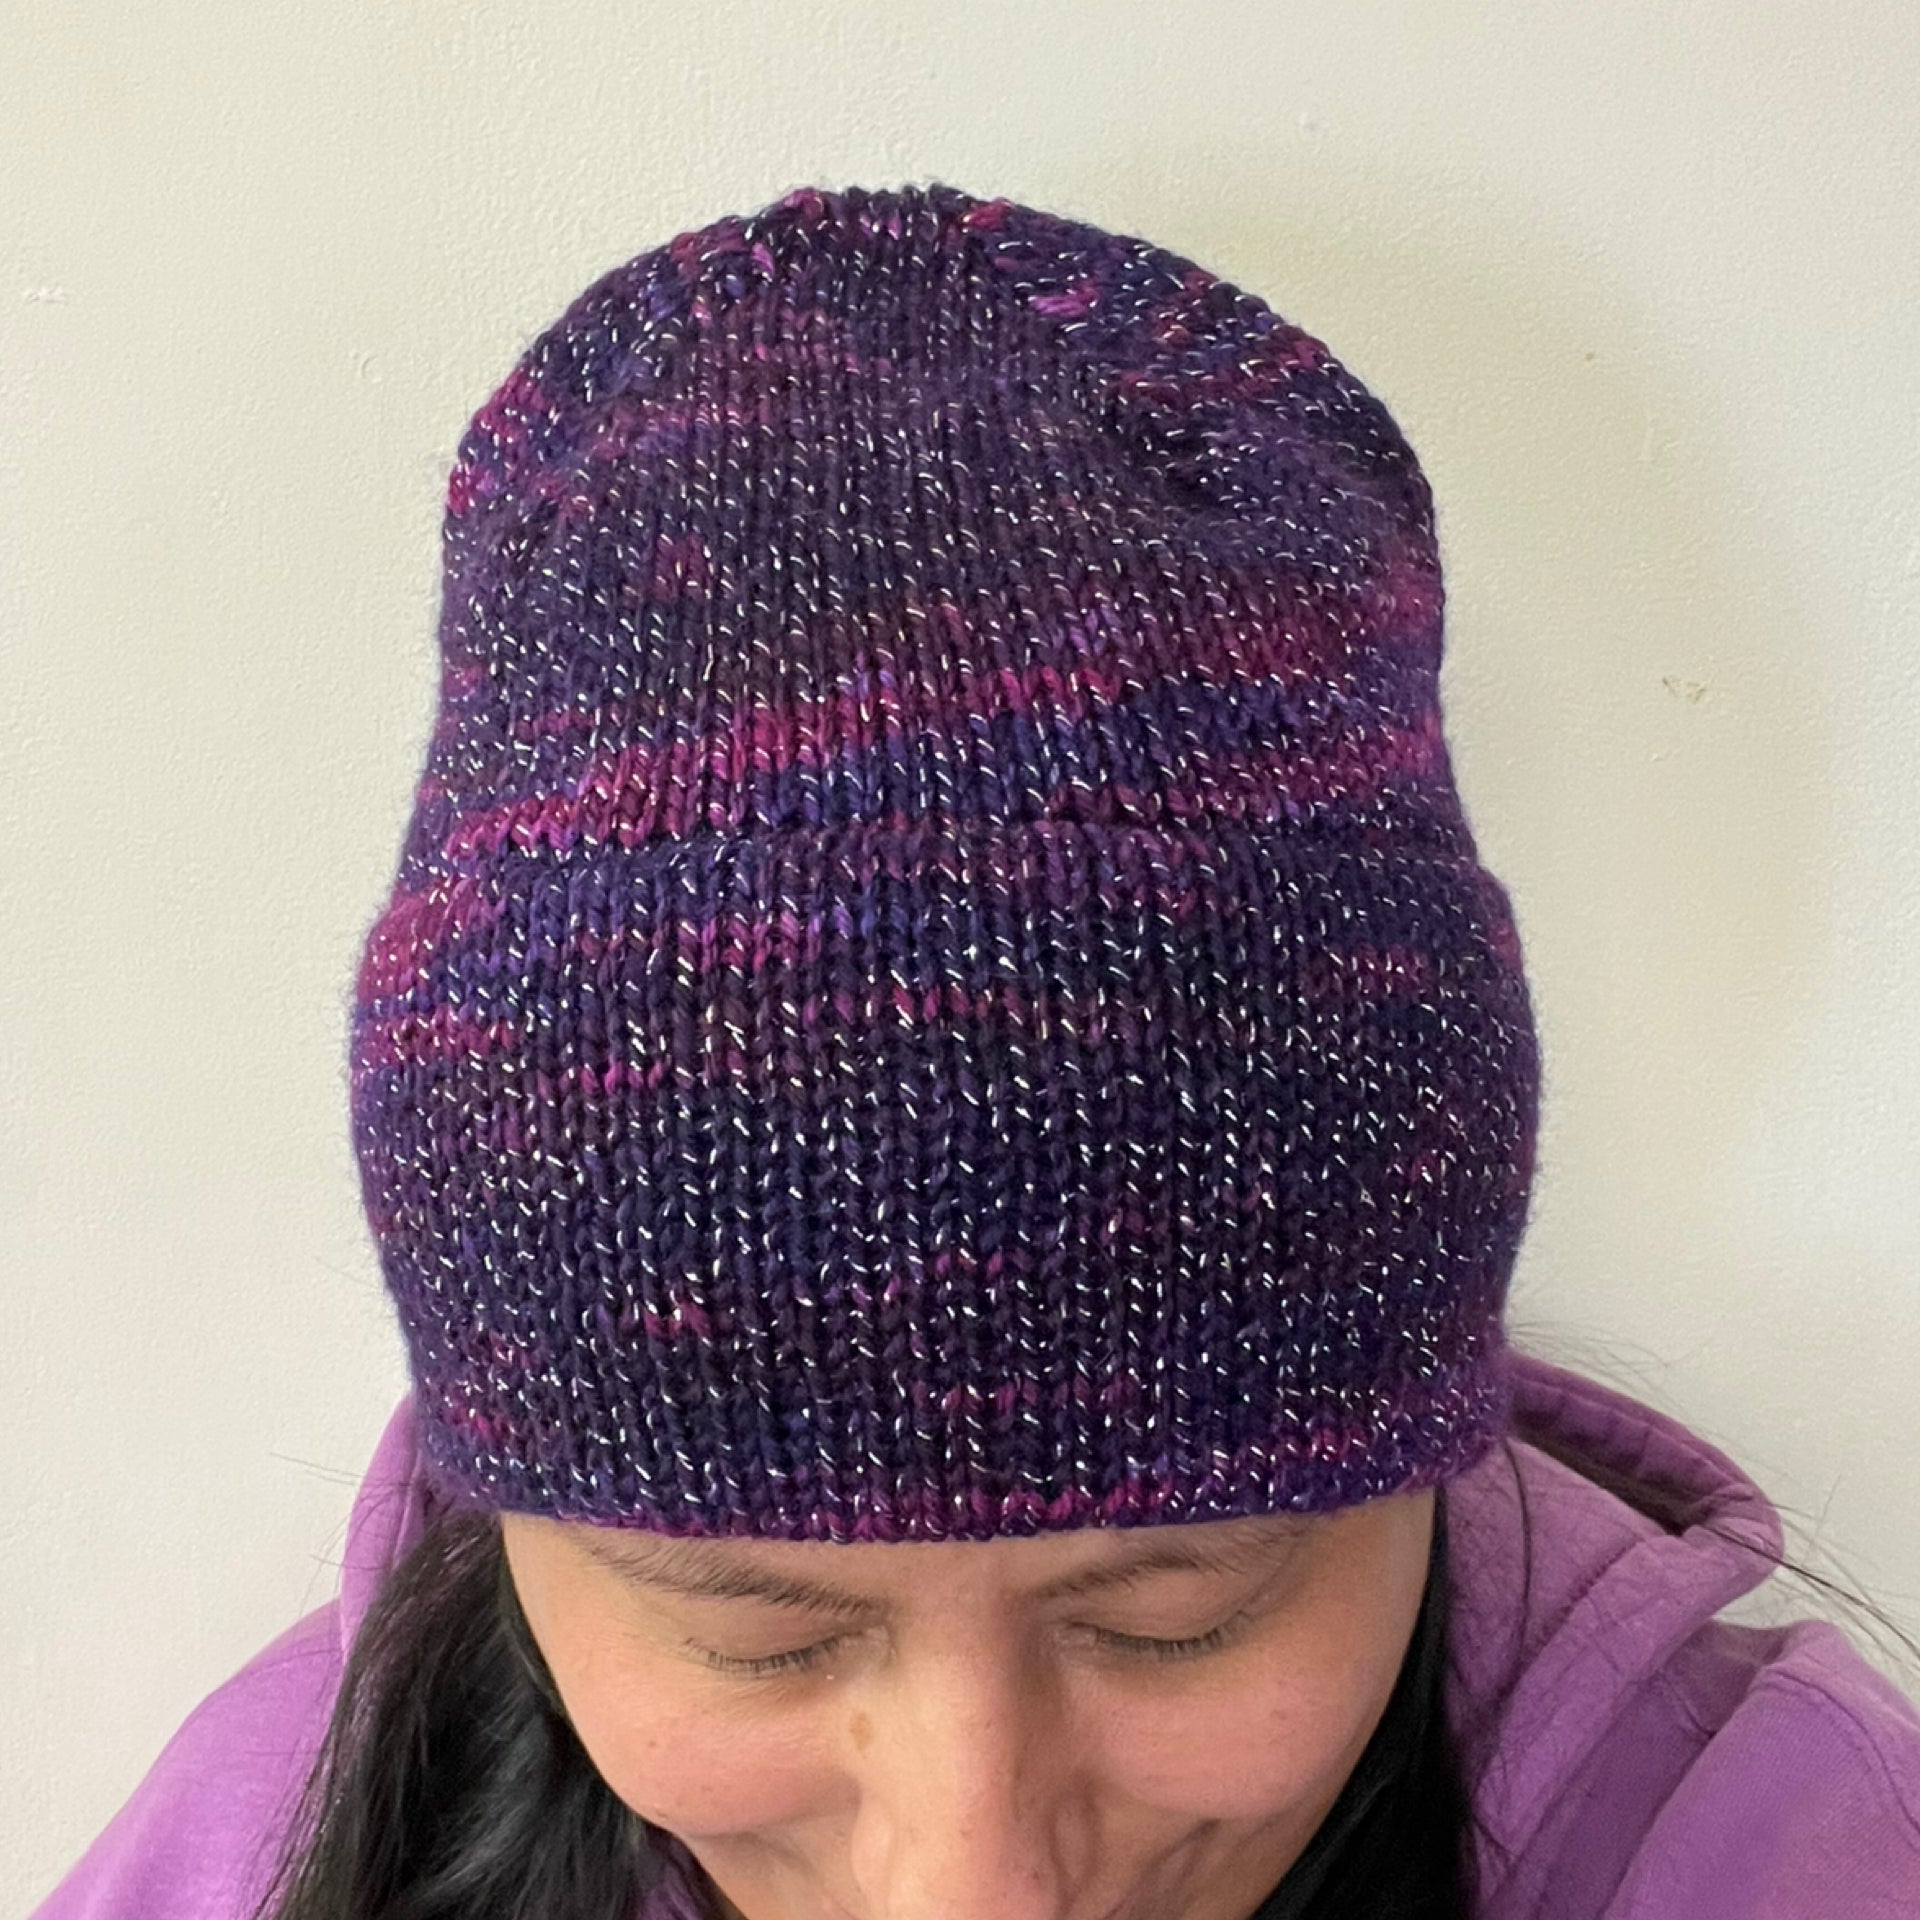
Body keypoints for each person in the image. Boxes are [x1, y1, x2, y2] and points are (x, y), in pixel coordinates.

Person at [29, 180, 1920, 1920]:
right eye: (759, 1637)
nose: (972, 1884)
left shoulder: (1783, 1848)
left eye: (1179, 1616)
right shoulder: (260, 1846)